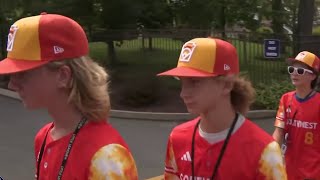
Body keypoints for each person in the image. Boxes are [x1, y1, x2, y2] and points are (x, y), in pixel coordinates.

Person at [0, 13, 138, 179]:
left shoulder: (106, 157)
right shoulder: (44, 137)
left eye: (23, 74)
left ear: (63, 76)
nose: (11, 84)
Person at [157, 37, 287, 180]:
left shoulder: (264, 150)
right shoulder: (177, 138)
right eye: (182, 82)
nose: (183, 93)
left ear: (226, 85)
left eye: (194, 82)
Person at [272, 51, 320, 180]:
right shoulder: (286, 99)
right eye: (292, 69)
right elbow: (279, 132)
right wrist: (271, 156)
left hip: (314, 172)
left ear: (313, 76)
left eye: (300, 71)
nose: (294, 73)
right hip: (290, 170)